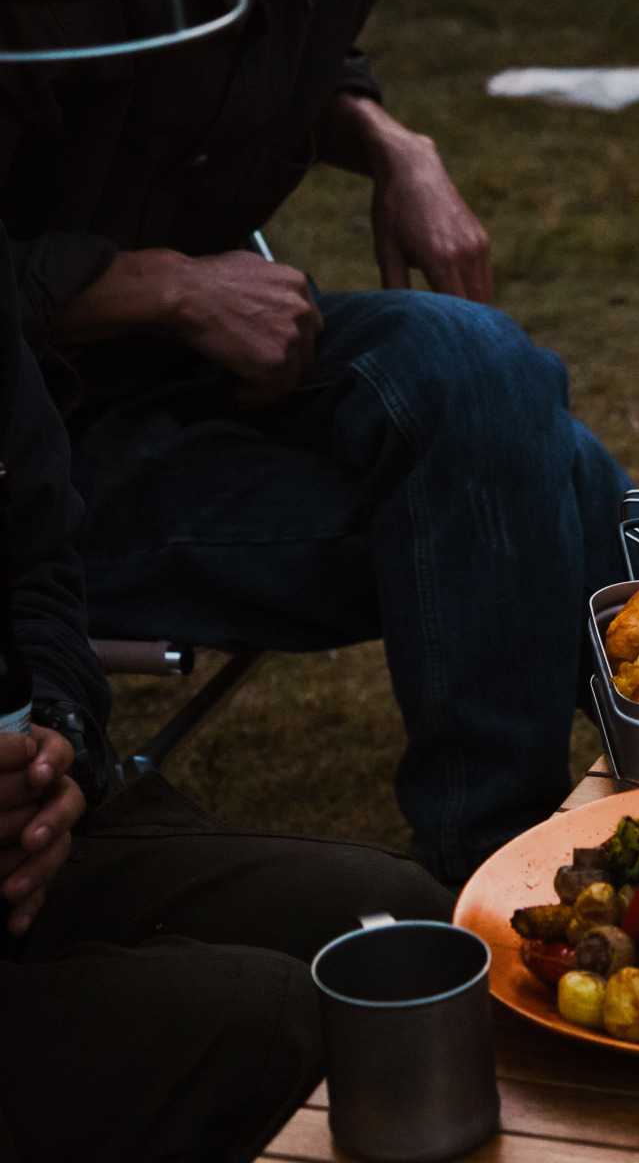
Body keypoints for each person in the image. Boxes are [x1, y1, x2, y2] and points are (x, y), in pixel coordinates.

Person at [0, 0, 639, 881]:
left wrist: (393, 143)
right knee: (542, 478)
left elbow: (293, 60)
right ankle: (503, 861)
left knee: (480, 362)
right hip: (45, 453)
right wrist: (166, 286)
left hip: (191, 366)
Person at [0, 242, 458, 1162]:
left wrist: (54, 742)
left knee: (400, 922)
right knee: (263, 1023)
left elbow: (36, 572)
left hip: (29, 859)